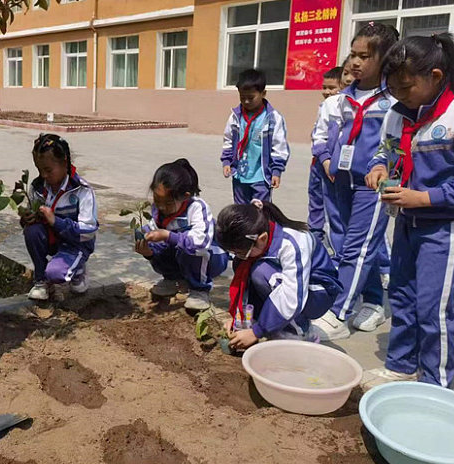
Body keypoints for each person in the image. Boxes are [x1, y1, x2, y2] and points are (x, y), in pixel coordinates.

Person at [363, 34, 454, 388]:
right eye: (392, 88)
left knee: (434, 308)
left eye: (406, 87)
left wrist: (421, 199)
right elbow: (385, 153)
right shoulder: (397, 115)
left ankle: (435, 383)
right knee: (403, 297)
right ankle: (401, 365)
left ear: (436, 77)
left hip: (445, 230)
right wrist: (378, 169)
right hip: (406, 223)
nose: (399, 95)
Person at [311, 23, 399, 340]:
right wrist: (325, 161)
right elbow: (321, 136)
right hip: (339, 182)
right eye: (354, 54)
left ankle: (338, 314)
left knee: (358, 248)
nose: (356, 62)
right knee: (346, 244)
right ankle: (373, 300)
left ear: (385, 58)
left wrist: (386, 170)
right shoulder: (341, 98)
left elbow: (397, 144)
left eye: (365, 56)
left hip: (376, 184)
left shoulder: (395, 101)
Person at [216, 200, 341, 349]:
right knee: (250, 268)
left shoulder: (294, 243)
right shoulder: (257, 237)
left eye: (240, 252)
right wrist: (240, 319)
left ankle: (300, 333)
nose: (238, 256)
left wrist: (257, 332)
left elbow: (292, 295)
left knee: (262, 271)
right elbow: (244, 284)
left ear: (261, 239)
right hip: (295, 286)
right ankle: (270, 323)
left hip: (318, 293)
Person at [134, 158, 229, 311]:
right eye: (157, 200)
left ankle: (200, 289)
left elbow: (201, 243)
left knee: (190, 246)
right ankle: (173, 279)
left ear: (185, 196)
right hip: (181, 255)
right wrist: (149, 253)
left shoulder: (197, 207)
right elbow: (158, 241)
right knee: (149, 236)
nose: (162, 207)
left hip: (211, 257)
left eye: (168, 203)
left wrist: (168, 235)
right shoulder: (158, 211)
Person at [21, 133, 98, 301]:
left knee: (56, 273)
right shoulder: (38, 187)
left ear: (64, 163)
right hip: (52, 240)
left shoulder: (81, 190)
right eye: (39, 170)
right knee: (31, 231)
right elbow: (31, 220)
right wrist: (26, 219)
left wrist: (56, 221)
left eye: (48, 170)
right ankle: (41, 280)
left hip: (75, 244)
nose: (44, 175)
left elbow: (89, 231)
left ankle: (77, 270)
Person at [220, 68, 290, 204]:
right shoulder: (235, 116)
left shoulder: (273, 118)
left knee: (260, 212)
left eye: (251, 98)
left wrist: (276, 171)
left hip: (261, 177)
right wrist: (227, 161)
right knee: (241, 212)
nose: (246, 102)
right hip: (239, 176)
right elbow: (228, 139)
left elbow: (279, 146)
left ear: (263, 93)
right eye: (242, 97)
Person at [308, 66, 346, 243]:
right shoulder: (324, 107)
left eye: (331, 88)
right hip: (318, 162)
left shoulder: (342, 109)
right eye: (324, 87)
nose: (326, 92)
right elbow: (318, 135)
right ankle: (315, 234)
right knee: (315, 199)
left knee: (335, 206)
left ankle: (339, 245)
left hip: (334, 165)